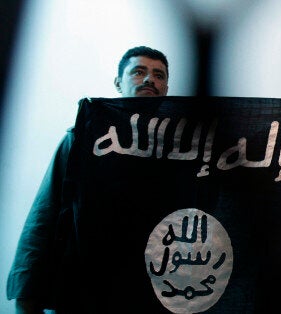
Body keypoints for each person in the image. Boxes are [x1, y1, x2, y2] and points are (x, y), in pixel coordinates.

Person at [6, 45, 170, 313]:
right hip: (83, 288)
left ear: (166, 89)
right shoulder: (83, 140)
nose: (149, 79)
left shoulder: (180, 150)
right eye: (139, 72)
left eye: (159, 75)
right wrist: (27, 291)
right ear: (119, 82)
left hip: (149, 291)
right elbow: (44, 217)